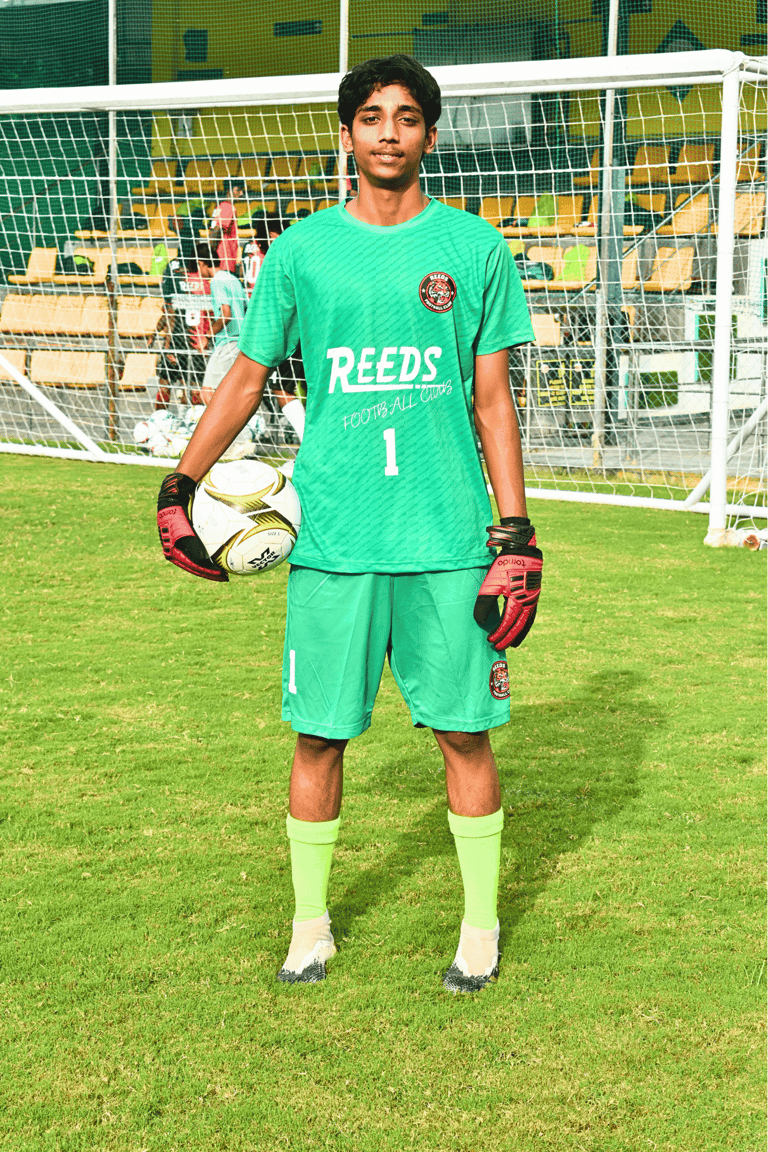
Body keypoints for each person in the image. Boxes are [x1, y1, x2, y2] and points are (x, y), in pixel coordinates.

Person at [156, 54, 542, 994]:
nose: (388, 133)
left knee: (464, 734)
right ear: (347, 133)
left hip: (448, 540)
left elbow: (493, 402)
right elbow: (247, 378)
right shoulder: (300, 251)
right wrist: (179, 485)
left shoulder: (475, 248)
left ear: (430, 136)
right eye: (371, 116)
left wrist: (517, 534)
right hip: (331, 538)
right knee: (319, 735)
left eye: (407, 118)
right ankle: (310, 927)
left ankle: (481, 930)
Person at [242, 218, 306, 443]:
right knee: (308, 386)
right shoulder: (296, 251)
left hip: (288, 330)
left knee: (281, 388)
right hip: (308, 326)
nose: (257, 245)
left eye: (259, 239)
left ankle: (308, 442)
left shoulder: (274, 258)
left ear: (270, 234)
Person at [150, 245, 210, 409]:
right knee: (193, 389)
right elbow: (212, 316)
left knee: (164, 385)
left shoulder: (178, 282)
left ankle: (159, 419)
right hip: (197, 343)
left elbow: (170, 314)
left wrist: (162, 340)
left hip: (177, 340)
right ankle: (193, 424)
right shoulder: (206, 284)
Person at [194, 241, 249, 404]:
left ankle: (223, 429)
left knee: (207, 393)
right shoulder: (233, 279)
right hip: (242, 342)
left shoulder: (217, 282)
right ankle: (242, 430)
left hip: (228, 342)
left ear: (201, 263)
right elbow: (246, 308)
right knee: (230, 395)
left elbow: (226, 315)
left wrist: (207, 337)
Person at [208, 178, 246, 272]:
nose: (241, 193)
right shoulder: (228, 207)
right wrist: (210, 254)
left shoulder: (220, 206)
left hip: (222, 262)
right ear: (229, 190)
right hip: (224, 262)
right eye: (238, 190)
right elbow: (217, 230)